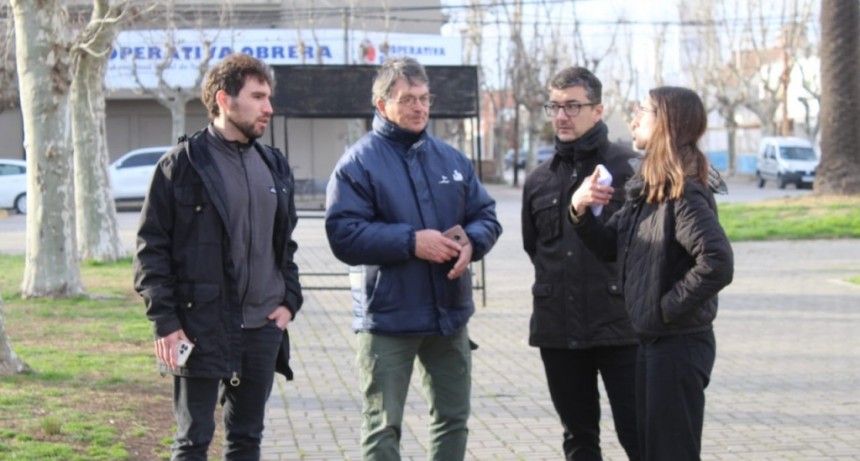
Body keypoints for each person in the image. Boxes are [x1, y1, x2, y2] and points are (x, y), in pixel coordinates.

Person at [324, 56, 502, 461]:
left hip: (449, 314)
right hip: (388, 317)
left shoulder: (452, 159)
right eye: (407, 99)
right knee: (383, 425)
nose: (418, 107)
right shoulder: (358, 163)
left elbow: (485, 215)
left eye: (424, 98)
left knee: (453, 418)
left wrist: (473, 241)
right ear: (382, 104)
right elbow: (343, 234)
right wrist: (410, 242)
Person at [133, 53, 303, 460]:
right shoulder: (182, 165)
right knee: (193, 441)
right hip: (199, 327)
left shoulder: (274, 166)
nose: (269, 108)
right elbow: (150, 251)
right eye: (258, 97)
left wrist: (289, 303)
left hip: (262, 328)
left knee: (246, 440)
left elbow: (286, 246)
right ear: (225, 100)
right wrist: (166, 323)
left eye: (269, 97)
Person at [569, 86, 734, 461]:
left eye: (642, 111)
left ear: (666, 123)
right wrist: (579, 209)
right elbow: (609, 245)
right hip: (652, 341)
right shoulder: (650, 188)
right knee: (653, 449)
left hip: (678, 344)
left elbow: (717, 261)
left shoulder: (684, 192)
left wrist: (665, 308)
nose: (633, 119)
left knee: (670, 452)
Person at [521, 66, 640, 461]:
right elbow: (533, 247)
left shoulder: (630, 170)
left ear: (598, 110)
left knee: (640, 435)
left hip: (620, 327)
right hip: (559, 331)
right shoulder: (539, 179)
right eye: (554, 106)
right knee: (578, 439)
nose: (561, 116)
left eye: (573, 105)